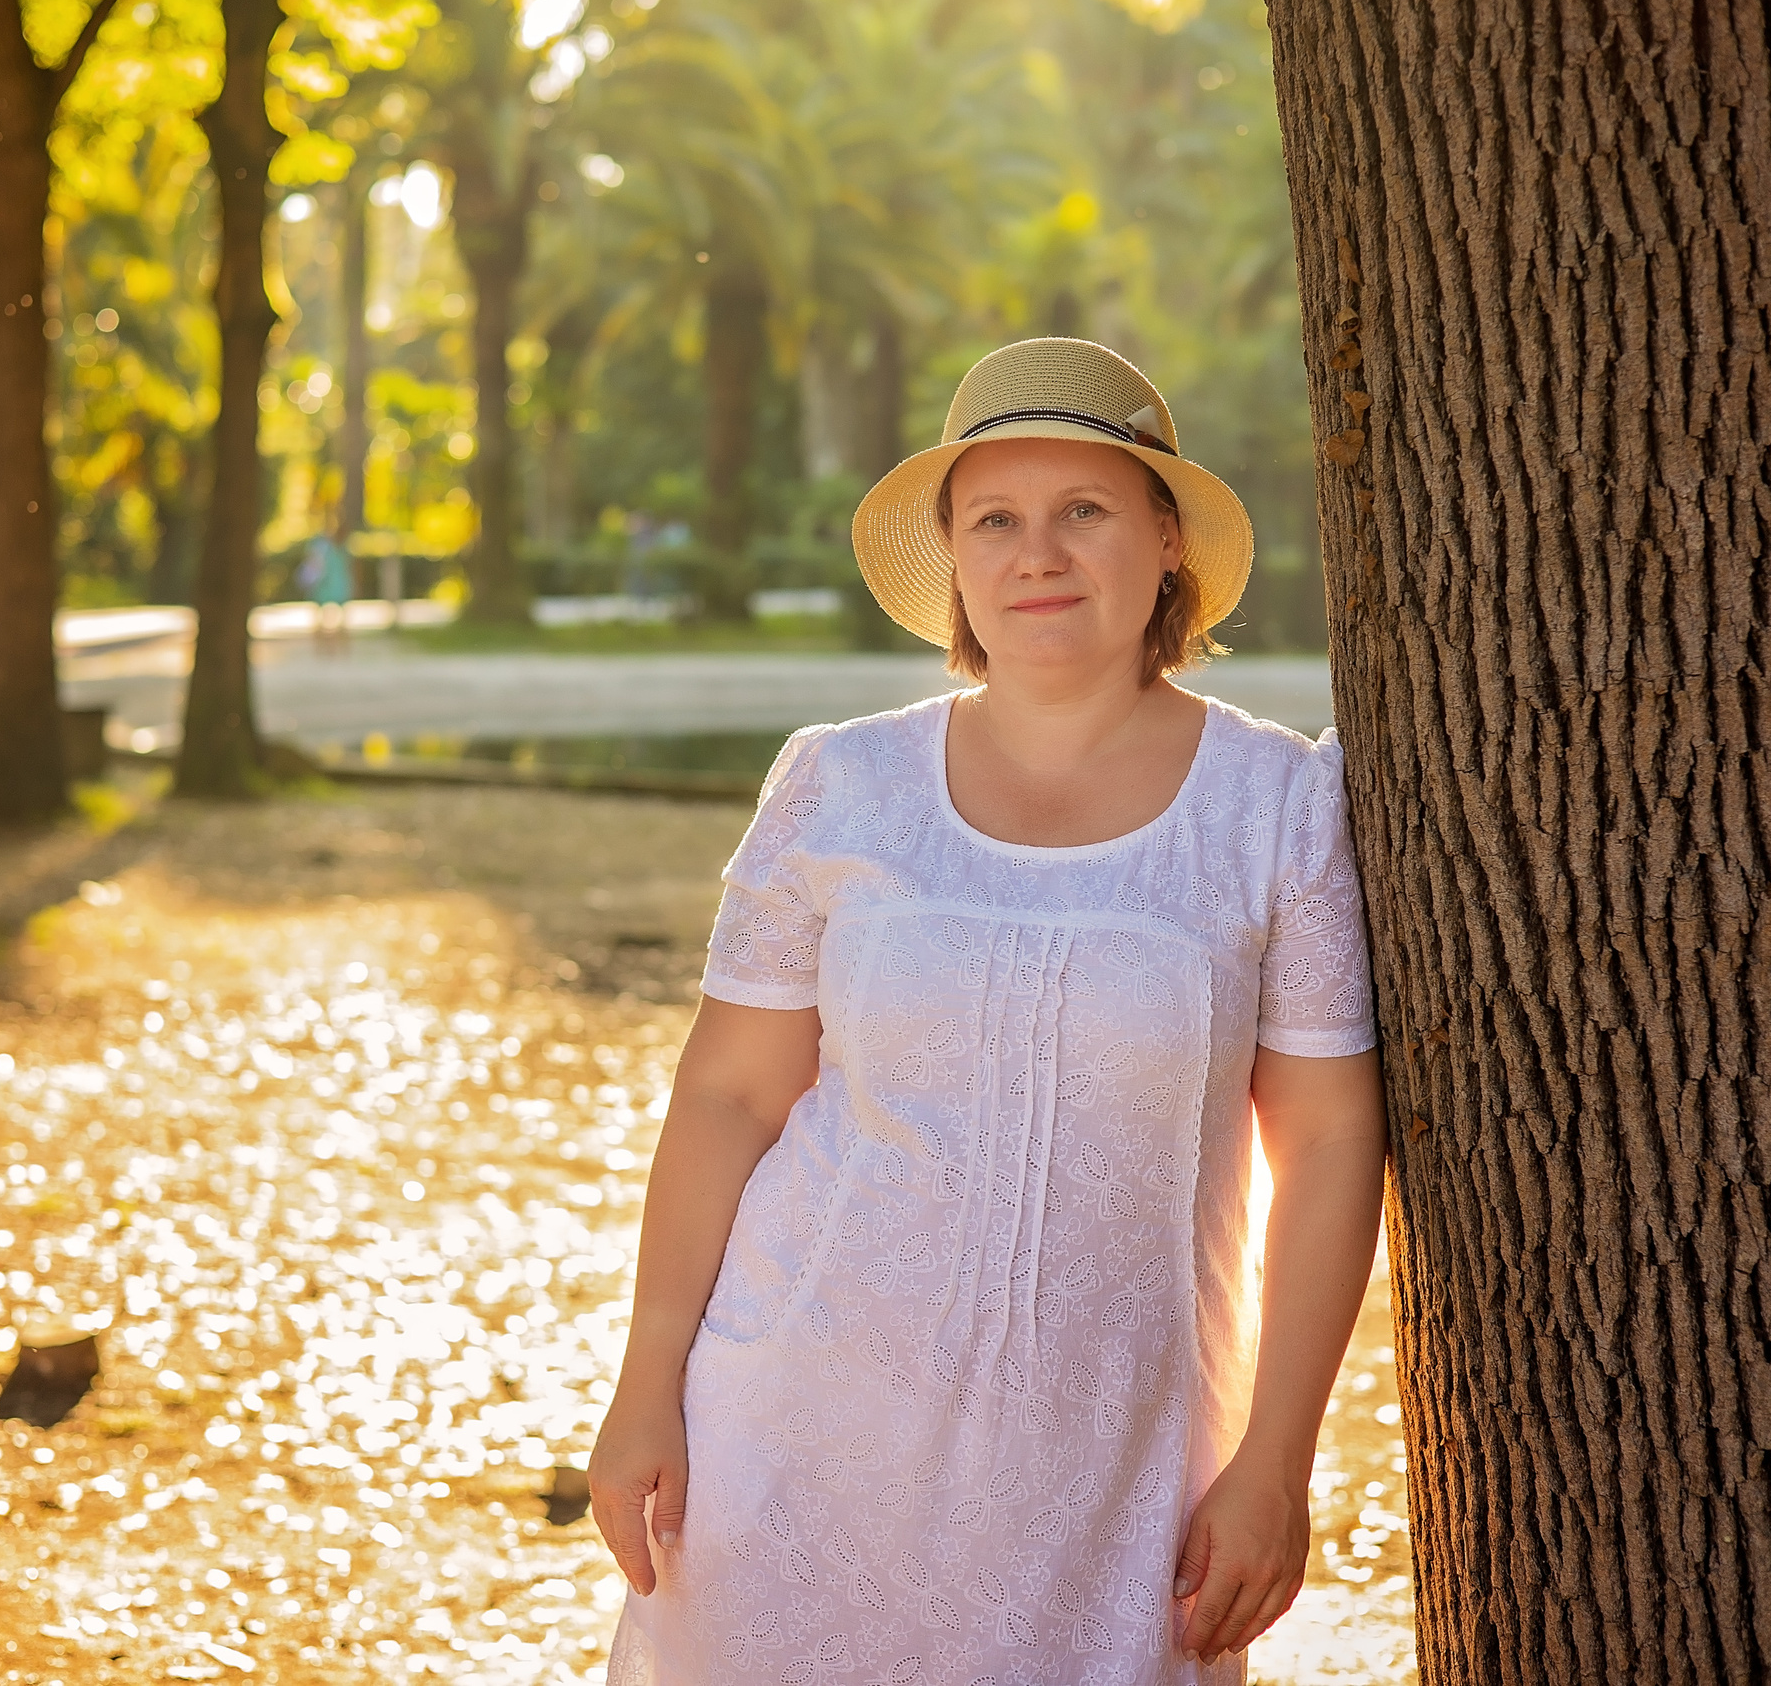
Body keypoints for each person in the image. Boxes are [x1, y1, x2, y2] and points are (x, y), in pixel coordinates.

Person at [591, 338, 1388, 1684]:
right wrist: (645, 1379)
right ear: (956, 558)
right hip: (791, 1439)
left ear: (1165, 540)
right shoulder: (835, 785)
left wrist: (1277, 1456)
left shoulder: (1278, 806)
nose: (1041, 554)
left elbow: (1325, 1140)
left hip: (1115, 1482)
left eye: (1085, 509)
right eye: (995, 520)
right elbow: (731, 1095)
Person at [297, 531, 353, 653]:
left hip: (334, 584)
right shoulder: (322, 544)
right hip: (325, 585)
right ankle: (325, 649)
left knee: (335, 619)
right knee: (323, 618)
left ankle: (333, 649)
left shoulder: (334, 545)